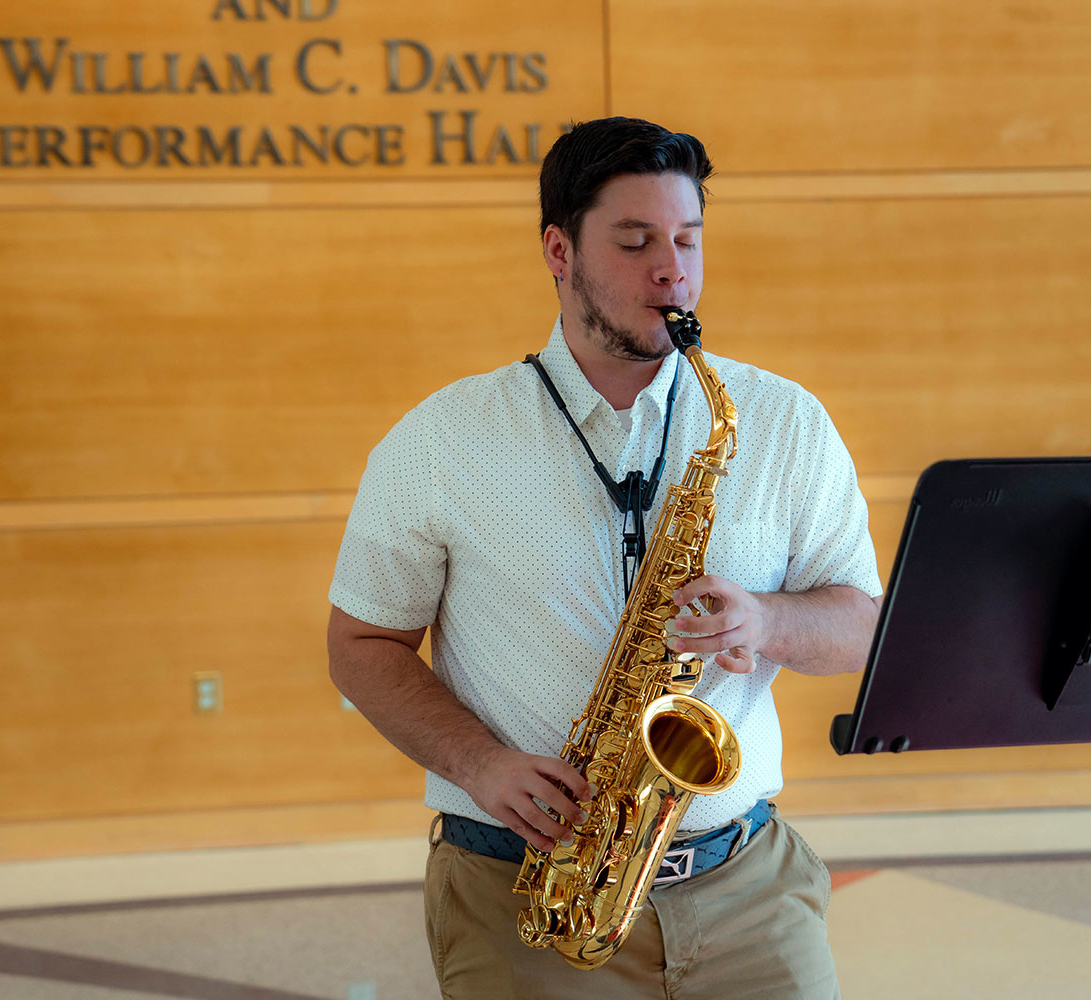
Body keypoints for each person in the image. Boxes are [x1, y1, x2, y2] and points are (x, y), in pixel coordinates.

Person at [326, 116, 882, 999]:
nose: (673, 270)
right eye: (636, 242)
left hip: (748, 890)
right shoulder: (442, 439)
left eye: (689, 240)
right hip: (524, 894)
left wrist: (767, 619)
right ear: (559, 250)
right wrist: (478, 764)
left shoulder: (780, 421)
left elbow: (863, 626)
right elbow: (360, 645)